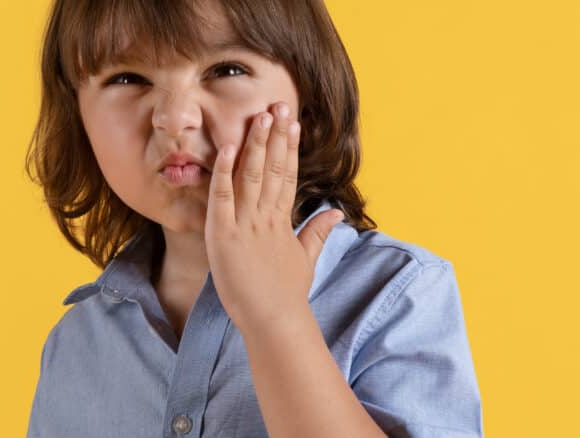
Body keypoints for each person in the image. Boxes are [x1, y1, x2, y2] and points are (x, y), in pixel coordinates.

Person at [24, 1, 482, 436]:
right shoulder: (77, 343)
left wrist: (277, 318)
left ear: (308, 93)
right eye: (127, 78)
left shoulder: (396, 293)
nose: (174, 118)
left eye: (226, 70)